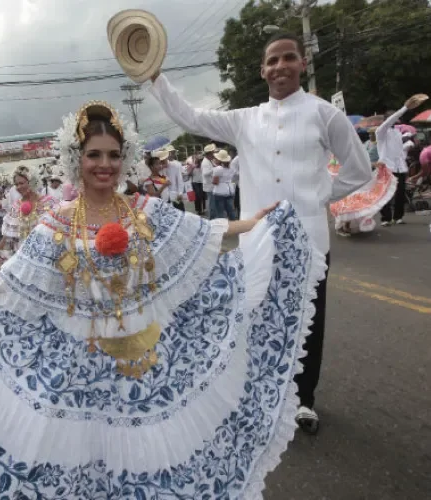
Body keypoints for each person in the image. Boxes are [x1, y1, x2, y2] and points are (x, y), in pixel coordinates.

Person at [0, 100, 327, 499]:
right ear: (76, 161)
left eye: (111, 155)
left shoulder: (147, 209)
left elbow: (210, 236)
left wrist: (257, 225)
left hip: (149, 364)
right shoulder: (58, 222)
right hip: (82, 371)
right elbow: (8, 282)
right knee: (89, 468)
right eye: (93, 155)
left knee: (149, 457)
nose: (103, 165)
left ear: (121, 160)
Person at [148, 32, 372, 434]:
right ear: (262, 70)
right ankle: (257, 392)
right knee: (253, 315)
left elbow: (359, 170)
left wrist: (317, 195)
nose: (280, 66)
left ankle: (304, 399)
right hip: (258, 240)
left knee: (309, 319)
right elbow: (191, 117)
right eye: (272, 61)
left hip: (310, 241)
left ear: (302, 64)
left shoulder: (325, 114)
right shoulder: (244, 119)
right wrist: (154, 77)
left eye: (288, 58)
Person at [376, 95, 429, 226]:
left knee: (400, 194)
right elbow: (389, 122)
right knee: (385, 194)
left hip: (400, 167)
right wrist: (405, 107)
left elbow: (399, 151)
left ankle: (398, 217)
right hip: (387, 167)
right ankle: (385, 218)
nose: (396, 119)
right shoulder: (380, 131)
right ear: (386, 119)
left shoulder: (397, 132)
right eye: (392, 116)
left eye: (396, 117)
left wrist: (407, 148)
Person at [0, 166, 59, 259]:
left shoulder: (49, 202)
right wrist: (2, 247)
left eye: (21, 183)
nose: (19, 187)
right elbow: (9, 234)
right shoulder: (16, 206)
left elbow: (60, 228)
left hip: (47, 253)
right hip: (24, 254)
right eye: (16, 184)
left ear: (32, 182)